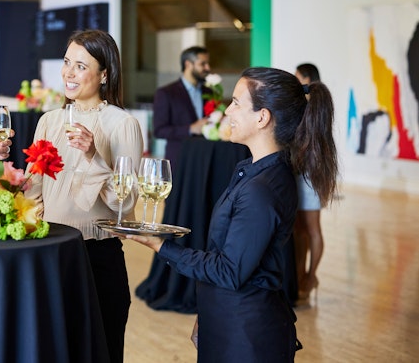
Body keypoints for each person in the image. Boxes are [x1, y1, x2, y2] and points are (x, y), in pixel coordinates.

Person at [126, 67, 338, 362]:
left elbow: (229, 270)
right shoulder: (258, 172)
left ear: (262, 117)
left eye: (237, 103)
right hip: (232, 322)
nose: (227, 111)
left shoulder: (261, 190)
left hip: (247, 336)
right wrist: (209, 313)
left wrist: (161, 245)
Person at [25, 29, 142, 363]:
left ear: (104, 74)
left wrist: (93, 155)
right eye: (66, 63)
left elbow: (124, 203)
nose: (68, 73)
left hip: (98, 259)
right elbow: (35, 191)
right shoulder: (49, 121)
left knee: (100, 352)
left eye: (80, 65)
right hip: (50, 254)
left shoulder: (123, 124)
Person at [293, 62, 326, 304]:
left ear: (305, 78)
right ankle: (300, 274)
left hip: (310, 172)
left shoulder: (315, 102)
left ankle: (311, 276)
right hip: (299, 171)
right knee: (300, 230)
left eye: (297, 77)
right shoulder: (309, 101)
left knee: (312, 229)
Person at [153, 46, 211, 170]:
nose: (208, 68)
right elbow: (159, 130)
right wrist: (190, 129)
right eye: (203, 64)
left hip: (205, 160)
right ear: (188, 64)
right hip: (178, 161)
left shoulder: (210, 92)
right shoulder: (166, 93)